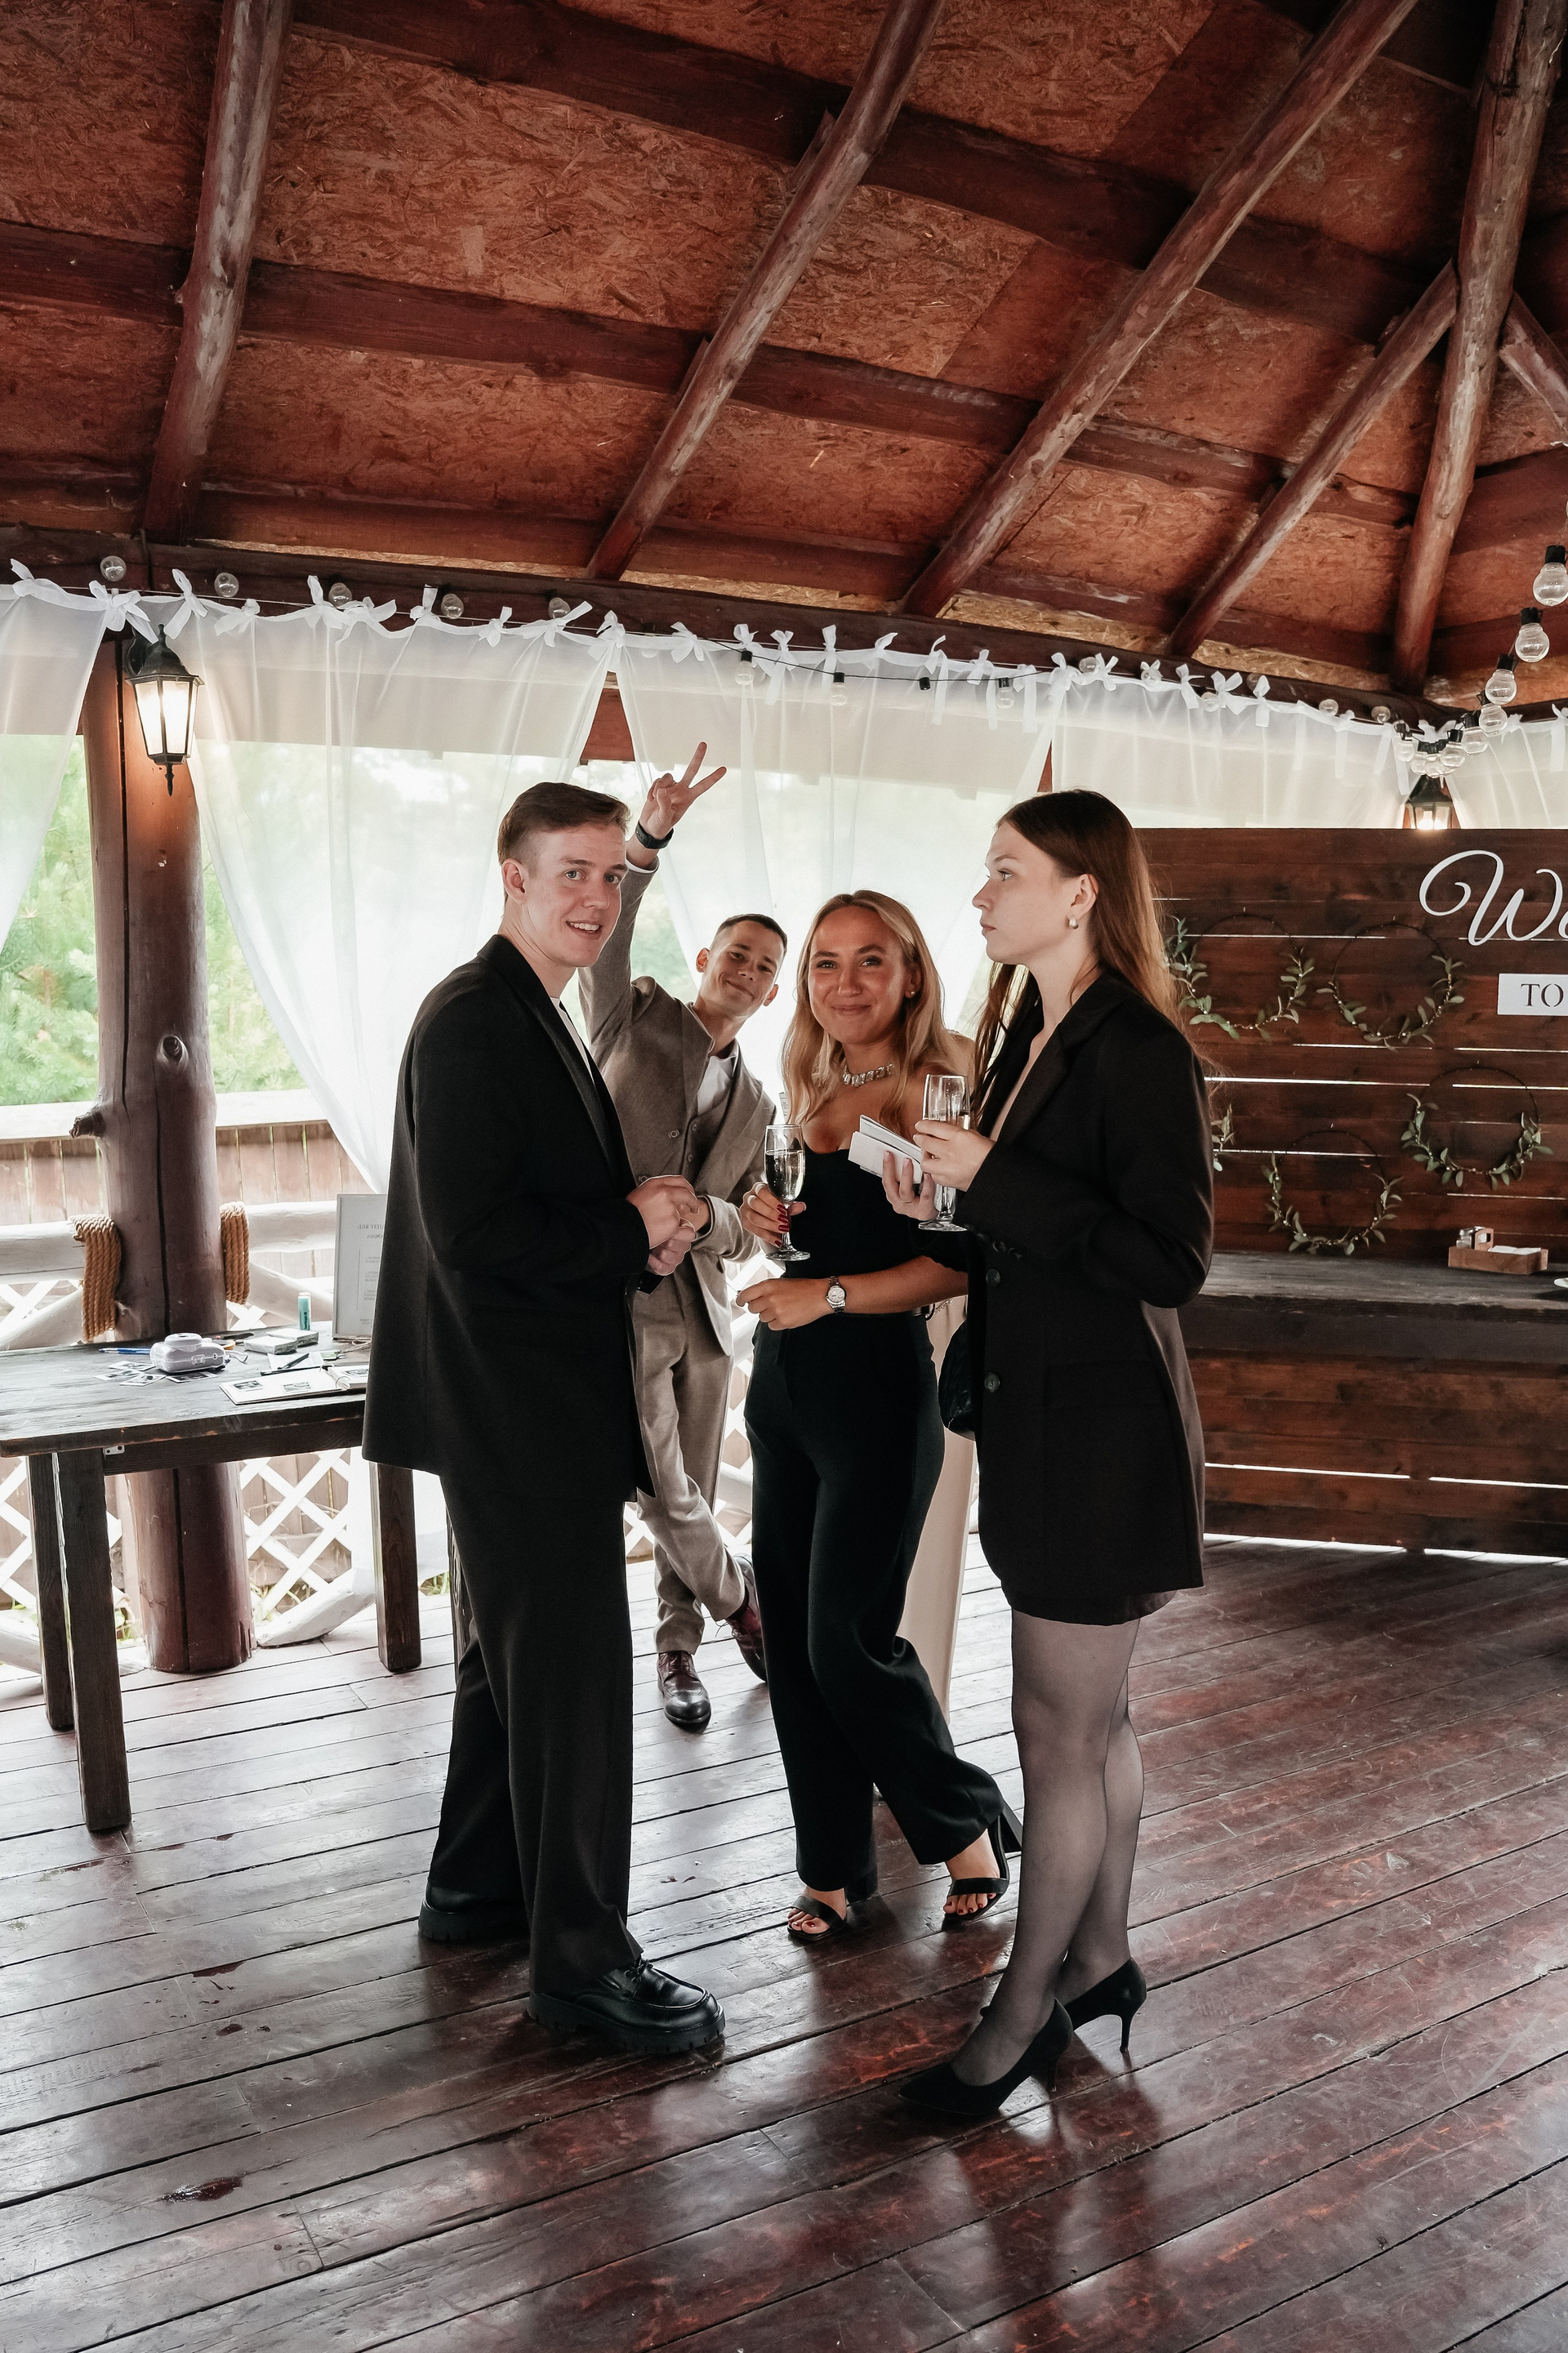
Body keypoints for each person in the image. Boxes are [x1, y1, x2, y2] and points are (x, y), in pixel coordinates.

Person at [363, 779, 725, 2059]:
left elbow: (527, 1207)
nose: (596, 896)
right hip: (514, 1407)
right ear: (513, 876)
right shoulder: (475, 1020)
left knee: (506, 1664)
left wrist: (635, 1223)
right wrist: (627, 1228)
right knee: (571, 1680)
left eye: (609, 876)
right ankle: (583, 1964)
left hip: (515, 1399)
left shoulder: (531, 1007)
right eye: (571, 871)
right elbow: (475, 1235)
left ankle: (477, 1889)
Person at [886, 789, 1213, 2119]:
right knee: (1093, 1721)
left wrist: (995, 1180)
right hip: (1043, 1423)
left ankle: (1021, 2015)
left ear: (1081, 893)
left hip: (1101, 1438)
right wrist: (945, 1206)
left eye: (1005, 872)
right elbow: (1031, 1235)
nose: (980, 895)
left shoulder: (1138, 1047)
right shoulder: (1031, 1026)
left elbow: (1168, 1258)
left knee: (1054, 1730)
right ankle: (1103, 1957)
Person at [736, 889, 1018, 1945]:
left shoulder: (939, 1087)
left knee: (845, 1641)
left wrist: (831, 1293)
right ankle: (833, 1869)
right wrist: (772, 1222)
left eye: (869, 960)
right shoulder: (810, 1081)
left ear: (910, 973)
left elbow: (957, 1263)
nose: (844, 982)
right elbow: (818, 1239)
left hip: (876, 1391)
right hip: (782, 1390)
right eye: (825, 962)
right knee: (796, 1649)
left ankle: (963, 1824)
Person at [579, 744, 779, 1731]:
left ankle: (678, 1651)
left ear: (774, 995)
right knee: (660, 1483)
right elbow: (607, 937)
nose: (747, 971)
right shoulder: (633, 1013)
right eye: (736, 953)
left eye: (765, 968)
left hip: (705, 1318)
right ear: (704, 958)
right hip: (614, 1298)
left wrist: (712, 1216)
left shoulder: (763, 1103)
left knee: (691, 1483)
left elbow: (750, 1230)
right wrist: (647, 839)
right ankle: (747, 1603)